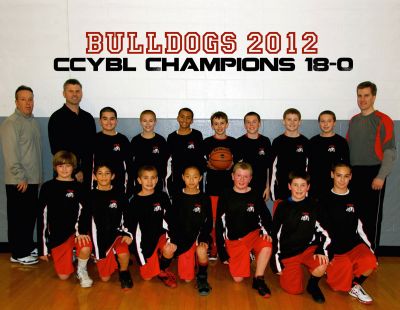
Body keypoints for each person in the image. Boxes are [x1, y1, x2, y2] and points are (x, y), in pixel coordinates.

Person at [346, 81, 396, 251]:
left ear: (374, 97)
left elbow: (389, 151)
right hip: (354, 174)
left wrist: (381, 176)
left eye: (366, 95)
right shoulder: (354, 120)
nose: (362, 99)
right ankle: (356, 253)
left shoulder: (383, 120)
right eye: (359, 96)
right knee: (354, 214)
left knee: (372, 217)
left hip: (374, 172)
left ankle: (371, 254)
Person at [321, 162, 377, 304]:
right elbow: (320, 229)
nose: (342, 180)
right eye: (339, 175)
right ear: (332, 175)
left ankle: (355, 286)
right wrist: (326, 252)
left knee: (371, 261)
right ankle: (334, 272)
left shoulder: (356, 198)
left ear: (350, 177)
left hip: (352, 244)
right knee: (338, 287)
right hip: (333, 248)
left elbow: (362, 227)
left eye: (346, 176)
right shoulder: (323, 199)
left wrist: (370, 249)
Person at [271, 171, 330, 303]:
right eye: (295, 185)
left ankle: (313, 285)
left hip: (308, 249)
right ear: (289, 186)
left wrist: (321, 250)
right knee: (295, 290)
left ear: (308, 187)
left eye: (302, 185)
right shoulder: (283, 207)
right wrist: (276, 263)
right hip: (288, 253)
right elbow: (275, 235)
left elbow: (325, 231)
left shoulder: (314, 206)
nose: (299, 189)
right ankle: (292, 272)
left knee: (322, 262)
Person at [216, 162, 272, 298]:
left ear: (250, 178)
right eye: (239, 176)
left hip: (253, 235)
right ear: (232, 176)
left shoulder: (255, 195)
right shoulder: (225, 195)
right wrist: (222, 251)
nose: (242, 180)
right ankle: (248, 255)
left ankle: (259, 279)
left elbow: (266, 217)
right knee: (238, 279)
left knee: (267, 245)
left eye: (245, 177)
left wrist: (267, 232)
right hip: (235, 240)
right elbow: (219, 223)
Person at [38, 151, 93, 287]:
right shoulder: (47, 187)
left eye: (68, 166)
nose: (64, 169)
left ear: (73, 167)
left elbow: (85, 213)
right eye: (60, 166)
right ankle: (71, 255)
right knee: (63, 277)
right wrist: (43, 249)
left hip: (75, 233)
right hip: (58, 236)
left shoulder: (79, 188)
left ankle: (81, 269)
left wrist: (81, 232)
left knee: (85, 245)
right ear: (55, 167)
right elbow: (42, 217)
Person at [0, 85, 42, 265]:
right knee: (18, 218)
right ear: (16, 102)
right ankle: (18, 253)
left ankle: (25, 246)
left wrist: (36, 178)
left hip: (32, 180)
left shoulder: (31, 121)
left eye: (30, 99)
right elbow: (10, 154)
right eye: (23, 99)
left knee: (28, 216)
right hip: (20, 181)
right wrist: (20, 176)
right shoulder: (11, 123)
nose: (28, 103)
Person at [79, 162, 133, 289]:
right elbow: (84, 216)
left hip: (116, 234)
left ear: (113, 176)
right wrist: (81, 232)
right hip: (99, 238)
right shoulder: (90, 195)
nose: (103, 177)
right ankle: (107, 257)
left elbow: (128, 216)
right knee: (105, 278)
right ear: (94, 176)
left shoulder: (120, 194)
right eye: (100, 174)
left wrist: (128, 233)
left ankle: (124, 272)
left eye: (107, 174)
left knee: (124, 252)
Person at [166, 166, 212, 295]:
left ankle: (202, 276)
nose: (191, 180)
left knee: (202, 250)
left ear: (200, 178)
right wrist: (174, 238)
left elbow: (208, 222)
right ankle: (188, 261)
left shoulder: (204, 198)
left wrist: (203, 238)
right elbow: (171, 220)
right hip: (182, 237)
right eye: (188, 177)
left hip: (198, 236)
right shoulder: (177, 197)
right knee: (186, 279)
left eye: (195, 177)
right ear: (183, 177)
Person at [129, 165, 177, 288]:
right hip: (144, 241)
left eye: (153, 178)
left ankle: (162, 269)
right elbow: (134, 232)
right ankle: (153, 260)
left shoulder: (162, 196)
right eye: (145, 178)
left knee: (169, 248)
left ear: (157, 180)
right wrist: (141, 257)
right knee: (147, 278)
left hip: (160, 235)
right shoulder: (134, 202)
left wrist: (172, 239)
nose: (149, 181)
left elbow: (170, 219)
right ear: (139, 180)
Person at [48, 79, 96, 189]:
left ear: (81, 93)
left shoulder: (88, 118)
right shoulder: (56, 118)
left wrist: (86, 171)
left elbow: (91, 148)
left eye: (77, 91)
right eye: (70, 91)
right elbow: (56, 149)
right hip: (65, 173)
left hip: (87, 174)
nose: (74, 94)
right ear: (64, 93)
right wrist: (76, 170)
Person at [203, 111, 238, 260]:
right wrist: (209, 165)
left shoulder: (233, 142)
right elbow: (201, 163)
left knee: (228, 219)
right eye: (216, 124)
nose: (219, 126)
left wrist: (231, 166)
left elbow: (238, 164)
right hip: (212, 187)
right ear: (212, 126)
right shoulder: (206, 143)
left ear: (227, 124)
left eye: (222, 123)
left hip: (230, 189)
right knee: (213, 219)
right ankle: (213, 247)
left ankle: (226, 247)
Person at [93, 107, 134, 197]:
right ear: (100, 121)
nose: (108, 122)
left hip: (119, 187)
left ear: (116, 121)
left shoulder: (123, 140)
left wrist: (129, 188)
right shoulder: (94, 139)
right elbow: (89, 164)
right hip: (99, 187)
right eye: (105, 119)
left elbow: (129, 166)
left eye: (112, 119)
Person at [308, 110, 349, 200]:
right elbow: (308, 166)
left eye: (329, 121)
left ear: (334, 123)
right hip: (315, 187)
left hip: (334, 186)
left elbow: (347, 166)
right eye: (323, 121)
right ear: (319, 123)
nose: (325, 124)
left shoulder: (341, 142)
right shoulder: (312, 141)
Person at [271, 108, 309, 201]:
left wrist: (307, 189)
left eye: (295, 120)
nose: (292, 122)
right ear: (283, 121)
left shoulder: (305, 142)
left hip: (300, 191)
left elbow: (308, 167)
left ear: (300, 122)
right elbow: (272, 168)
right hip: (281, 189)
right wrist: (271, 189)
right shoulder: (277, 141)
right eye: (289, 119)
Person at [167, 108, 205, 198]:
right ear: (177, 118)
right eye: (182, 117)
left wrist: (199, 174)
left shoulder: (197, 135)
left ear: (192, 120)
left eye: (188, 118)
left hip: (194, 178)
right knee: (179, 203)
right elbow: (168, 159)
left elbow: (201, 156)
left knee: (195, 203)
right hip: (178, 177)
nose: (185, 120)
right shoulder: (171, 137)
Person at [131, 110, 169, 193]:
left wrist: (161, 177)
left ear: (155, 122)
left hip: (156, 182)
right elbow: (131, 162)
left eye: (151, 121)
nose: (148, 124)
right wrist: (136, 178)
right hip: (140, 182)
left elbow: (164, 161)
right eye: (145, 121)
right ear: (140, 122)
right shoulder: (135, 140)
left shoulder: (161, 140)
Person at [237, 111, 272, 201]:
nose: (251, 124)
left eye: (254, 121)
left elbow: (268, 167)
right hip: (244, 186)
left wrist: (268, 187)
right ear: (245, 125)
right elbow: (236, 169)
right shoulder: (239, 142)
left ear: (259, 124)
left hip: (261, 187)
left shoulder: (265, 141)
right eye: (248, 122)